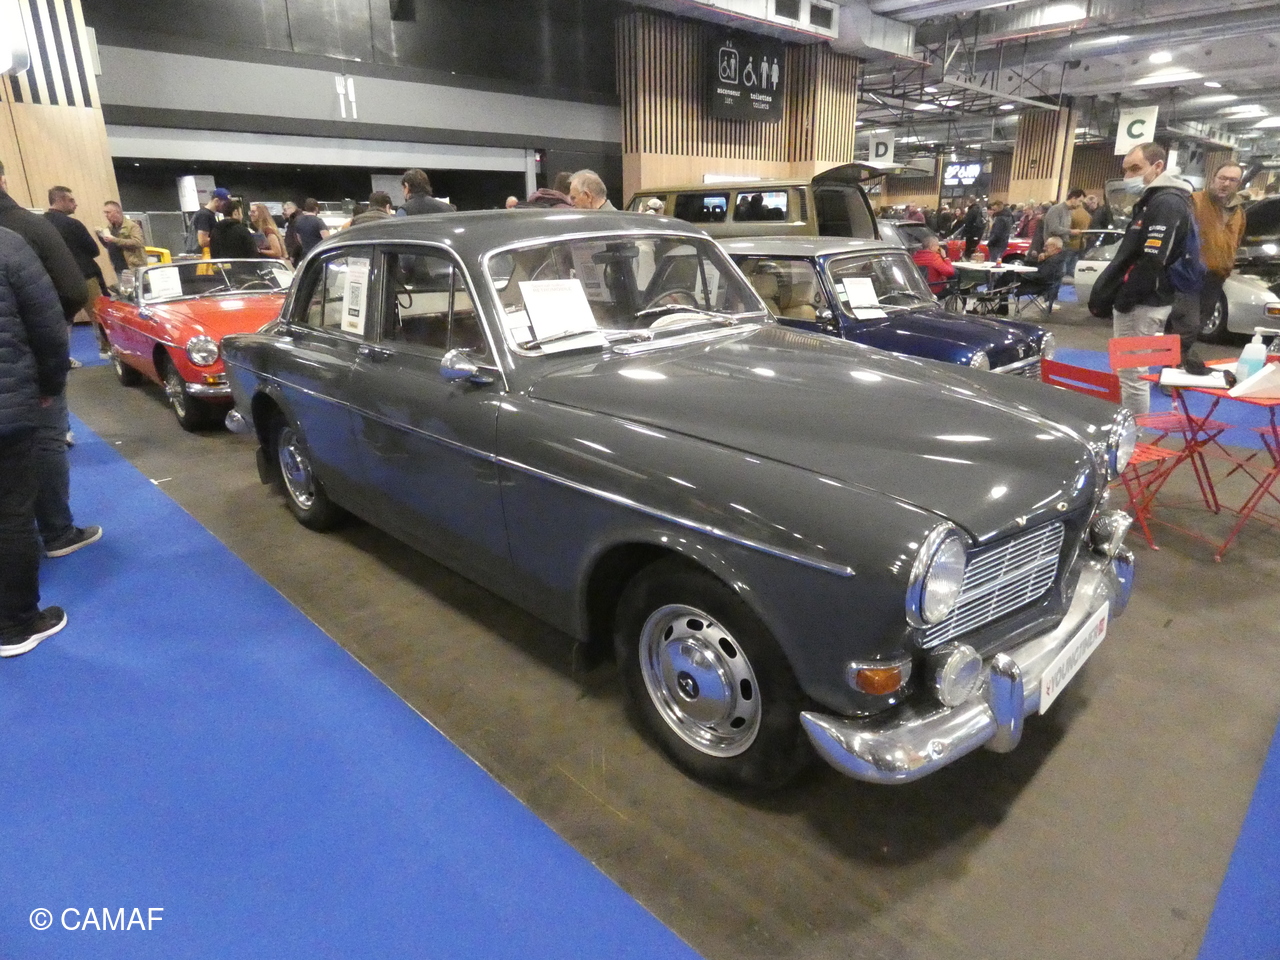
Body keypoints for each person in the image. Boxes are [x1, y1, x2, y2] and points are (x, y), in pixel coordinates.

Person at [0, 225, 71, 656]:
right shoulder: (7, 244)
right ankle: (15, 624)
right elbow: (47, 326)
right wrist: (50, 384)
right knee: (10, 514)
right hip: (7, 406)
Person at [1088, 142, 1193, 415]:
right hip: (1144, 300)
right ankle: (1131, 429)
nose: (1129, 176)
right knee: (1130, 373)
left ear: (1157, 167)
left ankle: (1133, 434)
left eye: (1136, 168)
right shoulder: (1156, 200)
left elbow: (1154, 258)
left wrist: (1126, 298)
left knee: (1133, 375)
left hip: (1144, 302)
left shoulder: (1167, 202)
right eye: (1126, 170)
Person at [1167, 160, 1248, 367]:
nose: (1226, 183)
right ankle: (1170, 368)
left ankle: (1178, 362)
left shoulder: (1239, 212)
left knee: (1198, 325)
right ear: (1213, 179)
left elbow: (1236, 241)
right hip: (1188, 275)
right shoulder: (1193, 201)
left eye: (1232, 180)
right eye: (1222, 178)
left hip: (1215, 277)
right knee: (1188, 324)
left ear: (1239, 184)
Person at [44, 186, 107, 356]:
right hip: (85, 276)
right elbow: (94, 250)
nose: (75, 204)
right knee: (98, 314)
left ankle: (62, 356)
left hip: (55, 280)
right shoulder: (73, 224)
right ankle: (105, 349)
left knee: (62, 320)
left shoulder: (41, 224)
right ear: (60, 200)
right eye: (71, 200)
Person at [99, 201, 147, 275]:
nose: (106, 215)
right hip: (118, 267)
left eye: (108, 212)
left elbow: (138, 242)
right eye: (105, 213)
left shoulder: (132, 226)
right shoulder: (110, 227)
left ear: (117, 212)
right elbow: (111, 245)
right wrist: (102, 238)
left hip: (132, 268)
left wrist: (114, 240)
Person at [190, 187, 227, 256]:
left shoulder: (209, 214)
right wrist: (225, 240)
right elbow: (203, 241)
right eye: (224, 204)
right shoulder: (204, 215)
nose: (226, 207)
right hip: (202, 257)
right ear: (217, 201)